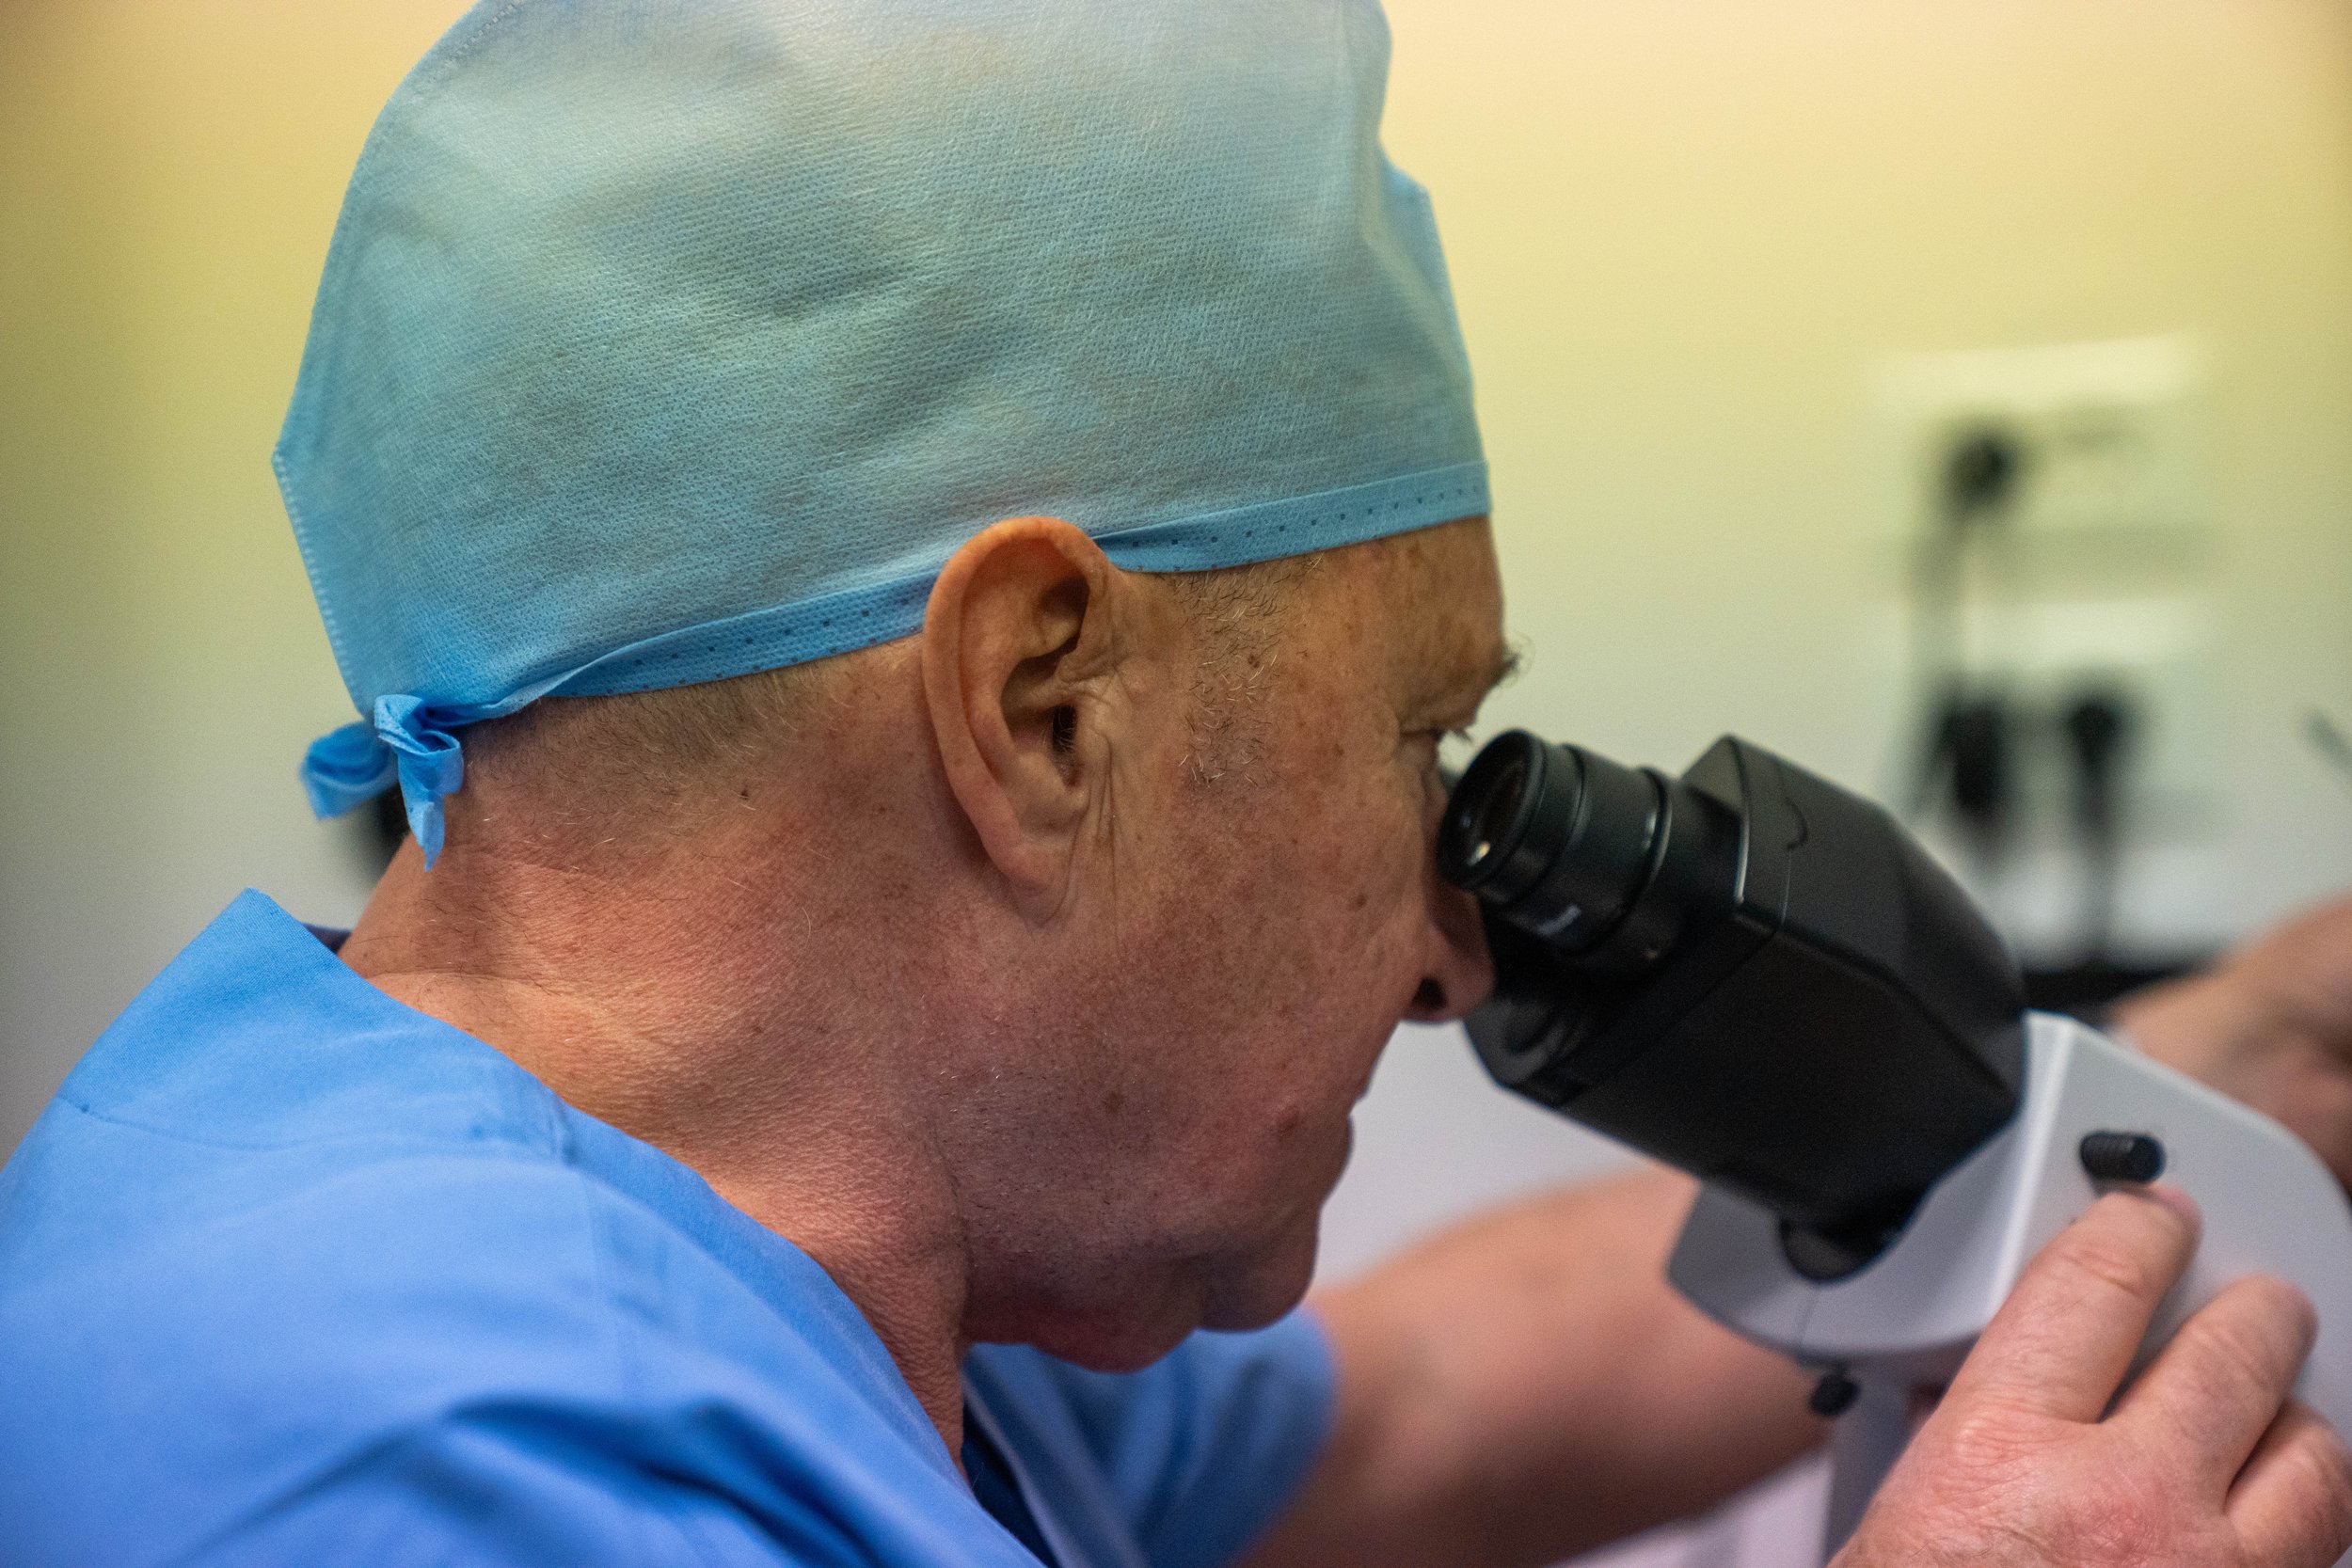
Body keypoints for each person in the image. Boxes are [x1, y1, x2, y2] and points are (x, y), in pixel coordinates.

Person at [3, 3, 2350, 1565]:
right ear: (1038, 706)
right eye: (1410, 739)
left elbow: (1418, 1408)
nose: (1457, 948)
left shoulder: (816, 1283)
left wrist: (2154, 1088)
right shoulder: (415, 1464)